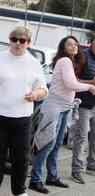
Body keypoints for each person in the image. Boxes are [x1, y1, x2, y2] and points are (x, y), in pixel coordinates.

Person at [29, 36, 95, 194]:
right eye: (69, 44)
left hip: (64, 107)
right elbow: (70, 84)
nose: (73, 46)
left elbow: (71, 84)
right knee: (47, 144)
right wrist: (89, 87)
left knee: (57, 143)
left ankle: (52, 176)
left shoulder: (70, 62)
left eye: (75, 44)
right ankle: (35, 179)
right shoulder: (65, 61)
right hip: (54, 106)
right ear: (63, 47)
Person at [0, 26, 48, 196]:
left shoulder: (33, 63)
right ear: (9, 39)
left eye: (22, 40)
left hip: (22, 119)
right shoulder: (1, 58)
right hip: (1, 116)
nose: (18, 43)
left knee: (21, 159)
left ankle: (19, 192)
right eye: (14, 39)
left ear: (28, 43)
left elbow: (43, 89)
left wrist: (35, 94)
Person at [70, 32, 95, 184]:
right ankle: (77, 170)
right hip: (84, 103)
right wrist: (91, 82)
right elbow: (74, 80)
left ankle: (92, 162)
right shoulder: (83, 56)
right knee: (82, 137)